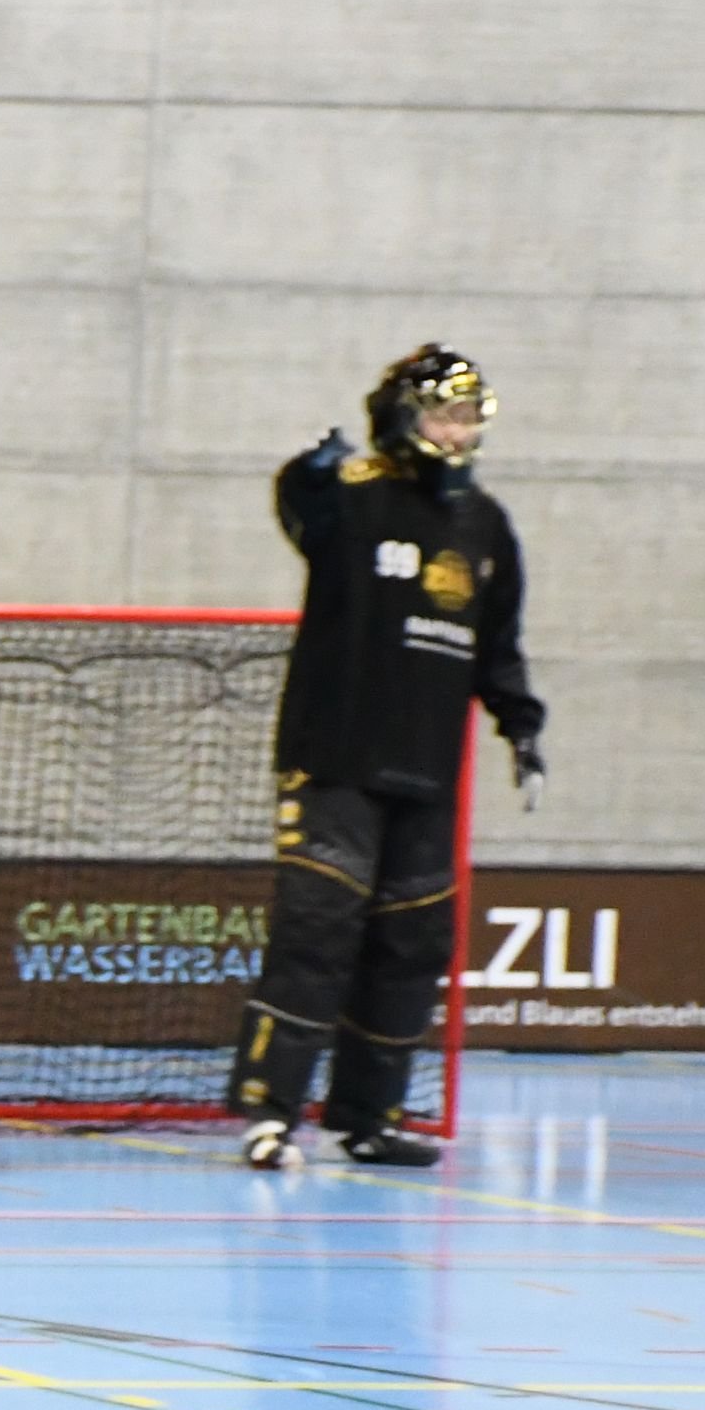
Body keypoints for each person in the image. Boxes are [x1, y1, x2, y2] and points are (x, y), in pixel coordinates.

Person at [229, 345, 548, 1171]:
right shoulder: (353, 501)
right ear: (405, 417)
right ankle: (270, 1115)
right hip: (334, 761)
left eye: (471, 415)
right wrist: (310, 470)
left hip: (425, 771)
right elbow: (302, 508)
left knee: (413, 944)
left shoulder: (485, 526)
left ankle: (367, 1117)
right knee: (317, 933)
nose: (460, 429)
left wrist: (522, 725)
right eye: (446, 413)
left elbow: (497, 646)